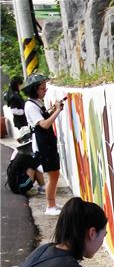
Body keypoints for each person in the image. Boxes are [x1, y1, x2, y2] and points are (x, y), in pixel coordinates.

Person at [22, 73, 64, 216]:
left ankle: (52, 203)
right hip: (42, 143)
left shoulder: (37, 102)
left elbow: (44, 118)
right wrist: (57, 111)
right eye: (42, 88)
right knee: (52, 175)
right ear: (34, 89)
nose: (45, 90)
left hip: (47, 141)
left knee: (55, 173)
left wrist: (53, 109)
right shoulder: (30, 105)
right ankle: (50, 207)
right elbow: (45, 124)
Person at [5, 127, 45, 196]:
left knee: (33, 165)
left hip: (13, 185)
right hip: (19, 187)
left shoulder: (17, 151)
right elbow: (42, 169)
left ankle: (41, 187)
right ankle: (42, 188)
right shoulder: (28, 153)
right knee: (35, 166)